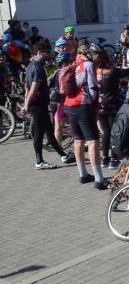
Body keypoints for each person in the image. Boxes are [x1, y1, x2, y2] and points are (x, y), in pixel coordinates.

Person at [21, 42, 70, 170]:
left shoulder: (31, 65)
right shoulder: (37, 67)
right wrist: (26, 105)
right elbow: (33, 89)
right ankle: (39, 161)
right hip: (37, 105)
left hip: (39, 104)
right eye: (46, 52)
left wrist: (26, 102)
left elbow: (27, 87)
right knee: (39, 133)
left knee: (49, 130)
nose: (49, 54)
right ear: (39, 53)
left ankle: (63, 155)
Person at [63, 43, 105, 188]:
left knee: (78, 140)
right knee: (93, 141)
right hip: (83, 106)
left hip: (68, 106)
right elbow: (93, 87)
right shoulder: (88, 65)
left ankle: (83, 174)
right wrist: (94, 104)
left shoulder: (73, 64)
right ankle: (99, 179)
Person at [95, 46, 129, 170]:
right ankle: (113, 159)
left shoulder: (95, 71)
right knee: (113, 132)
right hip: (112, 105)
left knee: (105, 132)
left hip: (99, 105)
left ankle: (104, 158)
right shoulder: (113, 71)